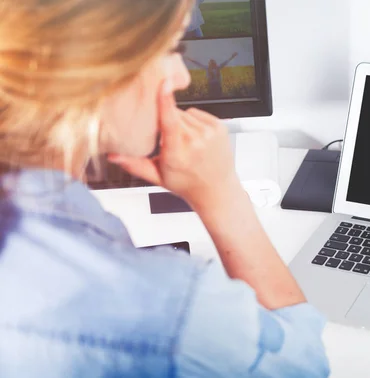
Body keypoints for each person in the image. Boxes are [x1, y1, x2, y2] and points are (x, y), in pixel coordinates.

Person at [0, 0, 330, 377]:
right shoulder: (168, 311)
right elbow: (302, 366)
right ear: (93, 69)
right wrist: (222, 198)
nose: (183, 77)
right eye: (172, 49)